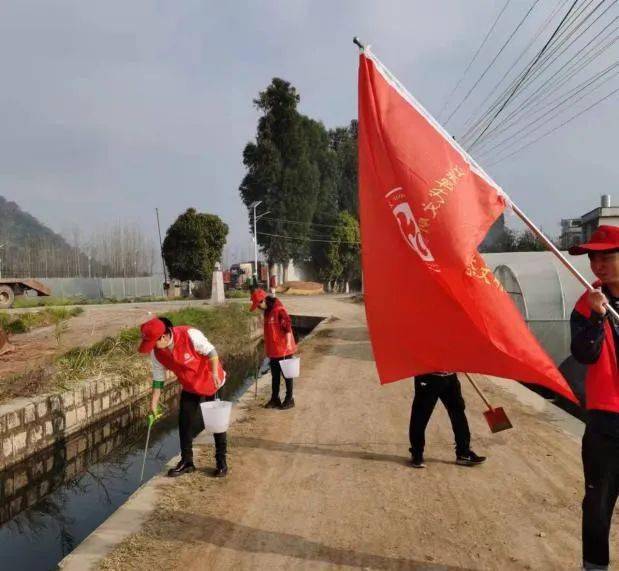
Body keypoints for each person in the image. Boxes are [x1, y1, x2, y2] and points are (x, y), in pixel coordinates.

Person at [569, 225, 619, 571]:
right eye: (594, 258)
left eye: (607, 256)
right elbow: (584, 354)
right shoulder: (587, 304)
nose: (598, 265)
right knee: (598, 502)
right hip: (606, 419)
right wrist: (597, 318)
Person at [138, 316, 228, 478]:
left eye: (153, 343)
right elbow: (158, 380)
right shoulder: (157, 352)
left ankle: (221, 461)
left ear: (164, 337)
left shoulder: (190, 335)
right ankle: (187, 462)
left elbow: (212, 352)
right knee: (184, 422)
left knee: (216, 423)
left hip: (211, 382)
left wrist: (214, 373)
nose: (153, 347)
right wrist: (153, 404)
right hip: (190, 386)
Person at [409, 372, 486, 468]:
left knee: (458, 413)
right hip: (428, 377)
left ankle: (463, 453)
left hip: (450, 377)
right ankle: (417, 454)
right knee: (420, 415)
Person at [250, 288, 297, 409]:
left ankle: (289, 399)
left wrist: (287, 343)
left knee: (287, 375)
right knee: (275, 375)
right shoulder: (267, 311)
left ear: (263, 301)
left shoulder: (278, 309)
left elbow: (287, 325)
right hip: (273, 350)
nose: (259, 309)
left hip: (283, 349)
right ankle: (275, 399)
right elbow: (270, 330)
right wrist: (262, 340)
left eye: (258, 305)